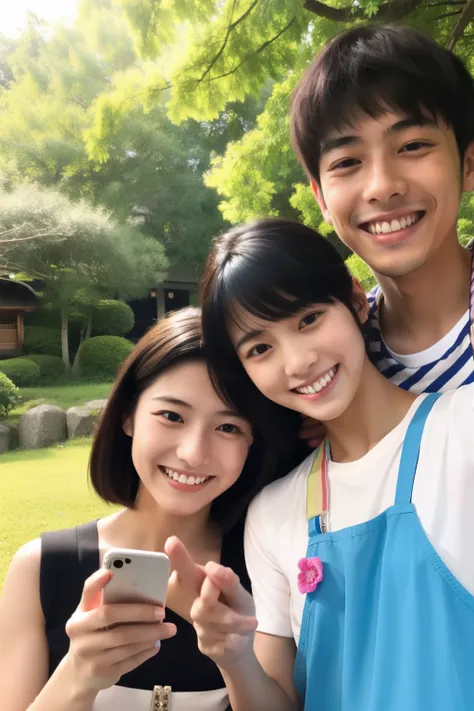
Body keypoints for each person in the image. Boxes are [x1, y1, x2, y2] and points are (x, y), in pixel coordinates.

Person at [173, 218, 474, 711]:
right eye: (260, 348)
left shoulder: (463, 429)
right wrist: (233, 657)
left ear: (356, 300)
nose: (297, 362)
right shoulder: (272, 512)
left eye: (308, 319)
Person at [0, 306, 300, 711]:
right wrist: (78, 675)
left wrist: (238, 660)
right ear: (127, 416)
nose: (193, 454)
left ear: (253, 441)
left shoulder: (265, 564)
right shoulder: (41, 568)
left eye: (228, 427)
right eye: (171, 415)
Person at [290, 25, 474, 418]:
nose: (381, 187)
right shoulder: (330, 370)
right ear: (321, 198)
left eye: (412, 146)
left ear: (468, 164)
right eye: (347, 163)